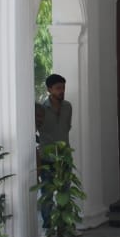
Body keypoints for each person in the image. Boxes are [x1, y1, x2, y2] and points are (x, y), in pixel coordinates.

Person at [35, 73, 72, 228]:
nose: (61, 91)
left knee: (65, 192)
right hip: (47, 157)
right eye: (58, 88)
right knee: (47, 194)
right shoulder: (41, 110)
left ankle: (65, 227)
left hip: (64, 156)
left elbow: (67, 128)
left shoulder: (68, 107)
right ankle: (48, 227)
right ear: (49, 89)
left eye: (63, 88)